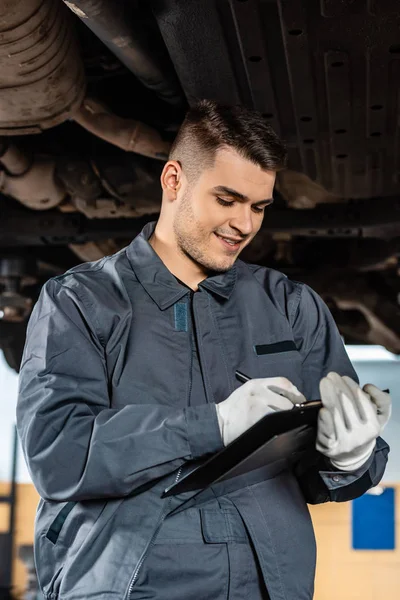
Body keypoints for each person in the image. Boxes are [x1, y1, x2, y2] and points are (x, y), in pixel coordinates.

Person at [17, 100, 391, 600]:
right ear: (173, 180)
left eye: (258, 207)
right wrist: (210, 426)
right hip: (125, 585)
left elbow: (328, 473)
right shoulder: (80, 301)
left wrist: (350, 456)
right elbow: (58, 454)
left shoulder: (291, 305)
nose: (244, 223)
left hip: (272, 586)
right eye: (227, 199)